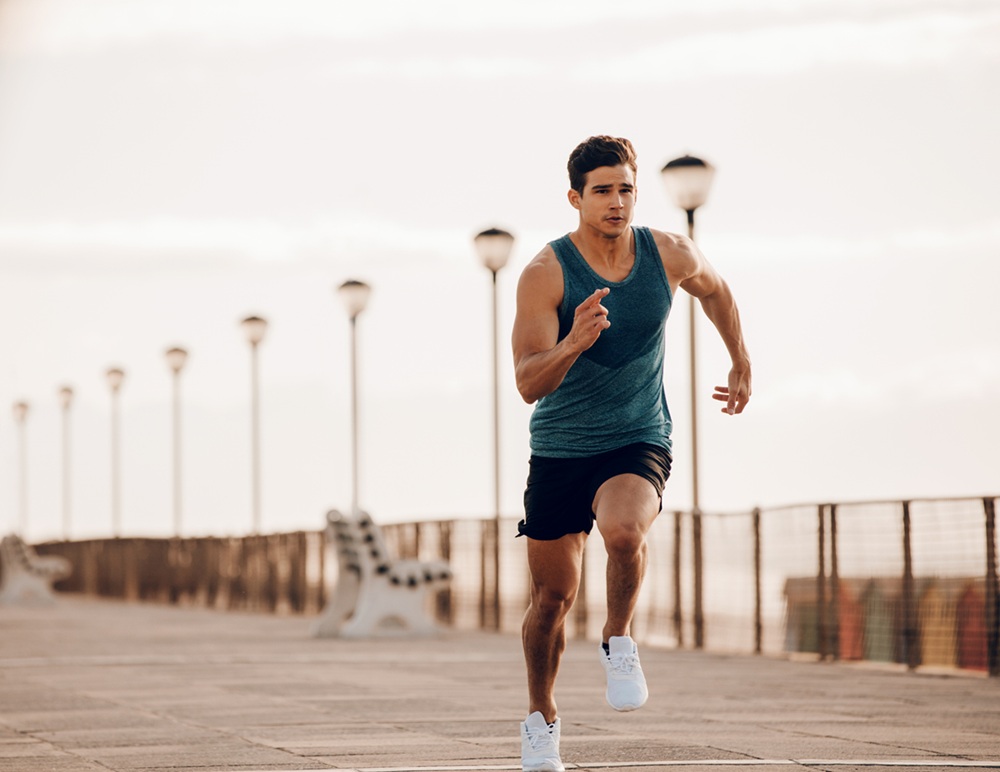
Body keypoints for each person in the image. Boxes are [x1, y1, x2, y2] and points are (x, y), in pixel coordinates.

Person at [511, 135, 751, 772]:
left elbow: (717, 290)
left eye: (625, 189)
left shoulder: (667, 252)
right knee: (552, 599)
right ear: (575, 198)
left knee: (623, 531)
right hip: (561, 447)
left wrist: (741, 358)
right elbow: (529, 382)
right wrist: (574, 342)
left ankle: (619, 638)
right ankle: (542, 718)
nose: (616, 203)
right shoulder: (546, 272)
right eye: (602, 192)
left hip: (638, 434)